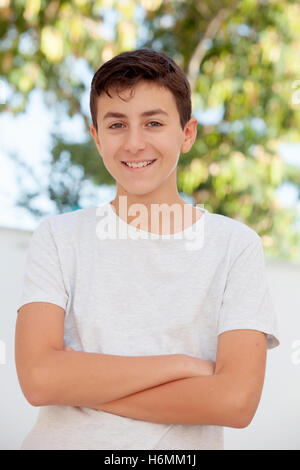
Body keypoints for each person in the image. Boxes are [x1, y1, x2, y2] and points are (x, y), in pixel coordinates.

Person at [15, 48, 280, 450]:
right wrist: (181, 367)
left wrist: (79, 383)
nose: (134, 143)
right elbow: (38, 379)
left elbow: (235, 401)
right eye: (117, 124)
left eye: (153, 122)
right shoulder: (58, 236)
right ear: (97, 138)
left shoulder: (234, 247)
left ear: (187, 134)